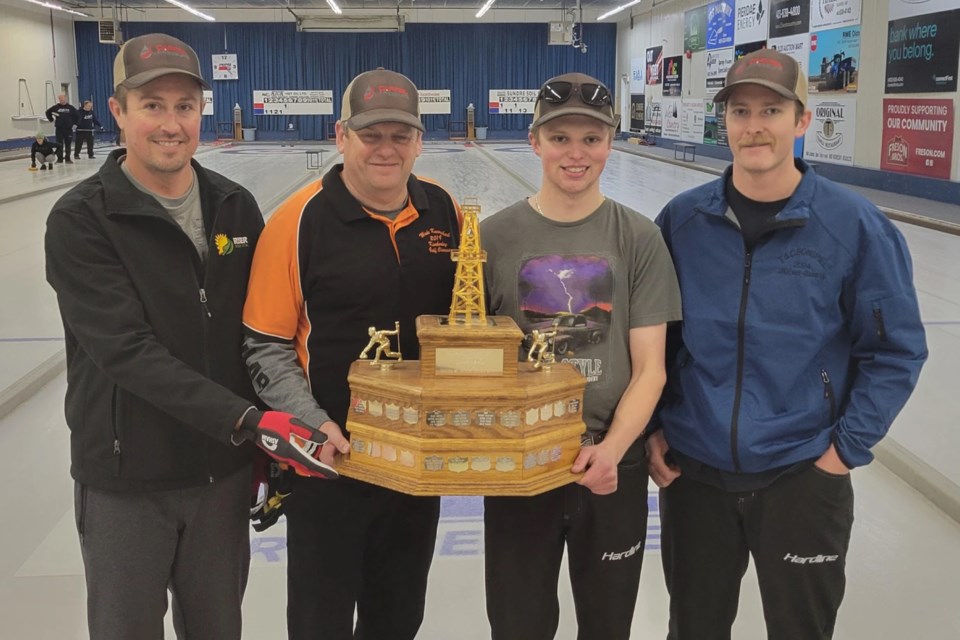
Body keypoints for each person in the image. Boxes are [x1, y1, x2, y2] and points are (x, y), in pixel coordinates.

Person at [44, 33, 335, 640]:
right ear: (118, 110)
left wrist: (271, 435)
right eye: (152, 105)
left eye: (184, 105)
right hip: (129, 482)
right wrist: (250, 422)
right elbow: (127, 352)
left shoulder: (235, 208)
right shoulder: (82, 220)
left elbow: (262, 336)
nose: (171, 123)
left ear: (201, 111)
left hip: (220, 480)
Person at [649, 48, 928, 639]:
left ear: (801, 121)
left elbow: (895, 350)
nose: (755, 126)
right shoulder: (681, 221)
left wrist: (842, 452)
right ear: (723, 123)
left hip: (804, 475)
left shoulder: (853, 225)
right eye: (741, 111)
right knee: (693, 628)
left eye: (771, 110)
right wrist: (654, 429)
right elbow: (655, 341)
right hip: (696, 476)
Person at [242, 68, 462, 640]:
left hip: (416, 464)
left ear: (419, 140)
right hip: (329, 466)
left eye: (400, 134)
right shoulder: (296, 222)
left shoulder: (446, 213)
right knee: (321, 621)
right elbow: (265, 345)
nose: (386, 149)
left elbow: (466, 328)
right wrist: (312, 424)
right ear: (342, 135)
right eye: (372, 134)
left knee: (398, 617)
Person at [481, 72, 682, 640]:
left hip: (613, 466)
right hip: (521, 467)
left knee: (607, 625)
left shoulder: (638, 237)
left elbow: (651, 369)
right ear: (534, 141)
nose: (576, 153)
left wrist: (613, 453)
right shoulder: (493, 238)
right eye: (561, 137)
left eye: (591, 139)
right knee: (519, 626)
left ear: (610, 142)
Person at [45, 93, 78, 163]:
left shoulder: (71, 108)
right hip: (59, 129)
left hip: (68, 129)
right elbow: (48, 112)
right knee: (59, 144)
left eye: (62, 99)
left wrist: (75, 124)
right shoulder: (56, 107)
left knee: (68, 144)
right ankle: (60, 158)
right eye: (60, 99)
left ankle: (68, 158)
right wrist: (51, 119)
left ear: (65, 98)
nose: (61, 100)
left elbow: (77, 116)